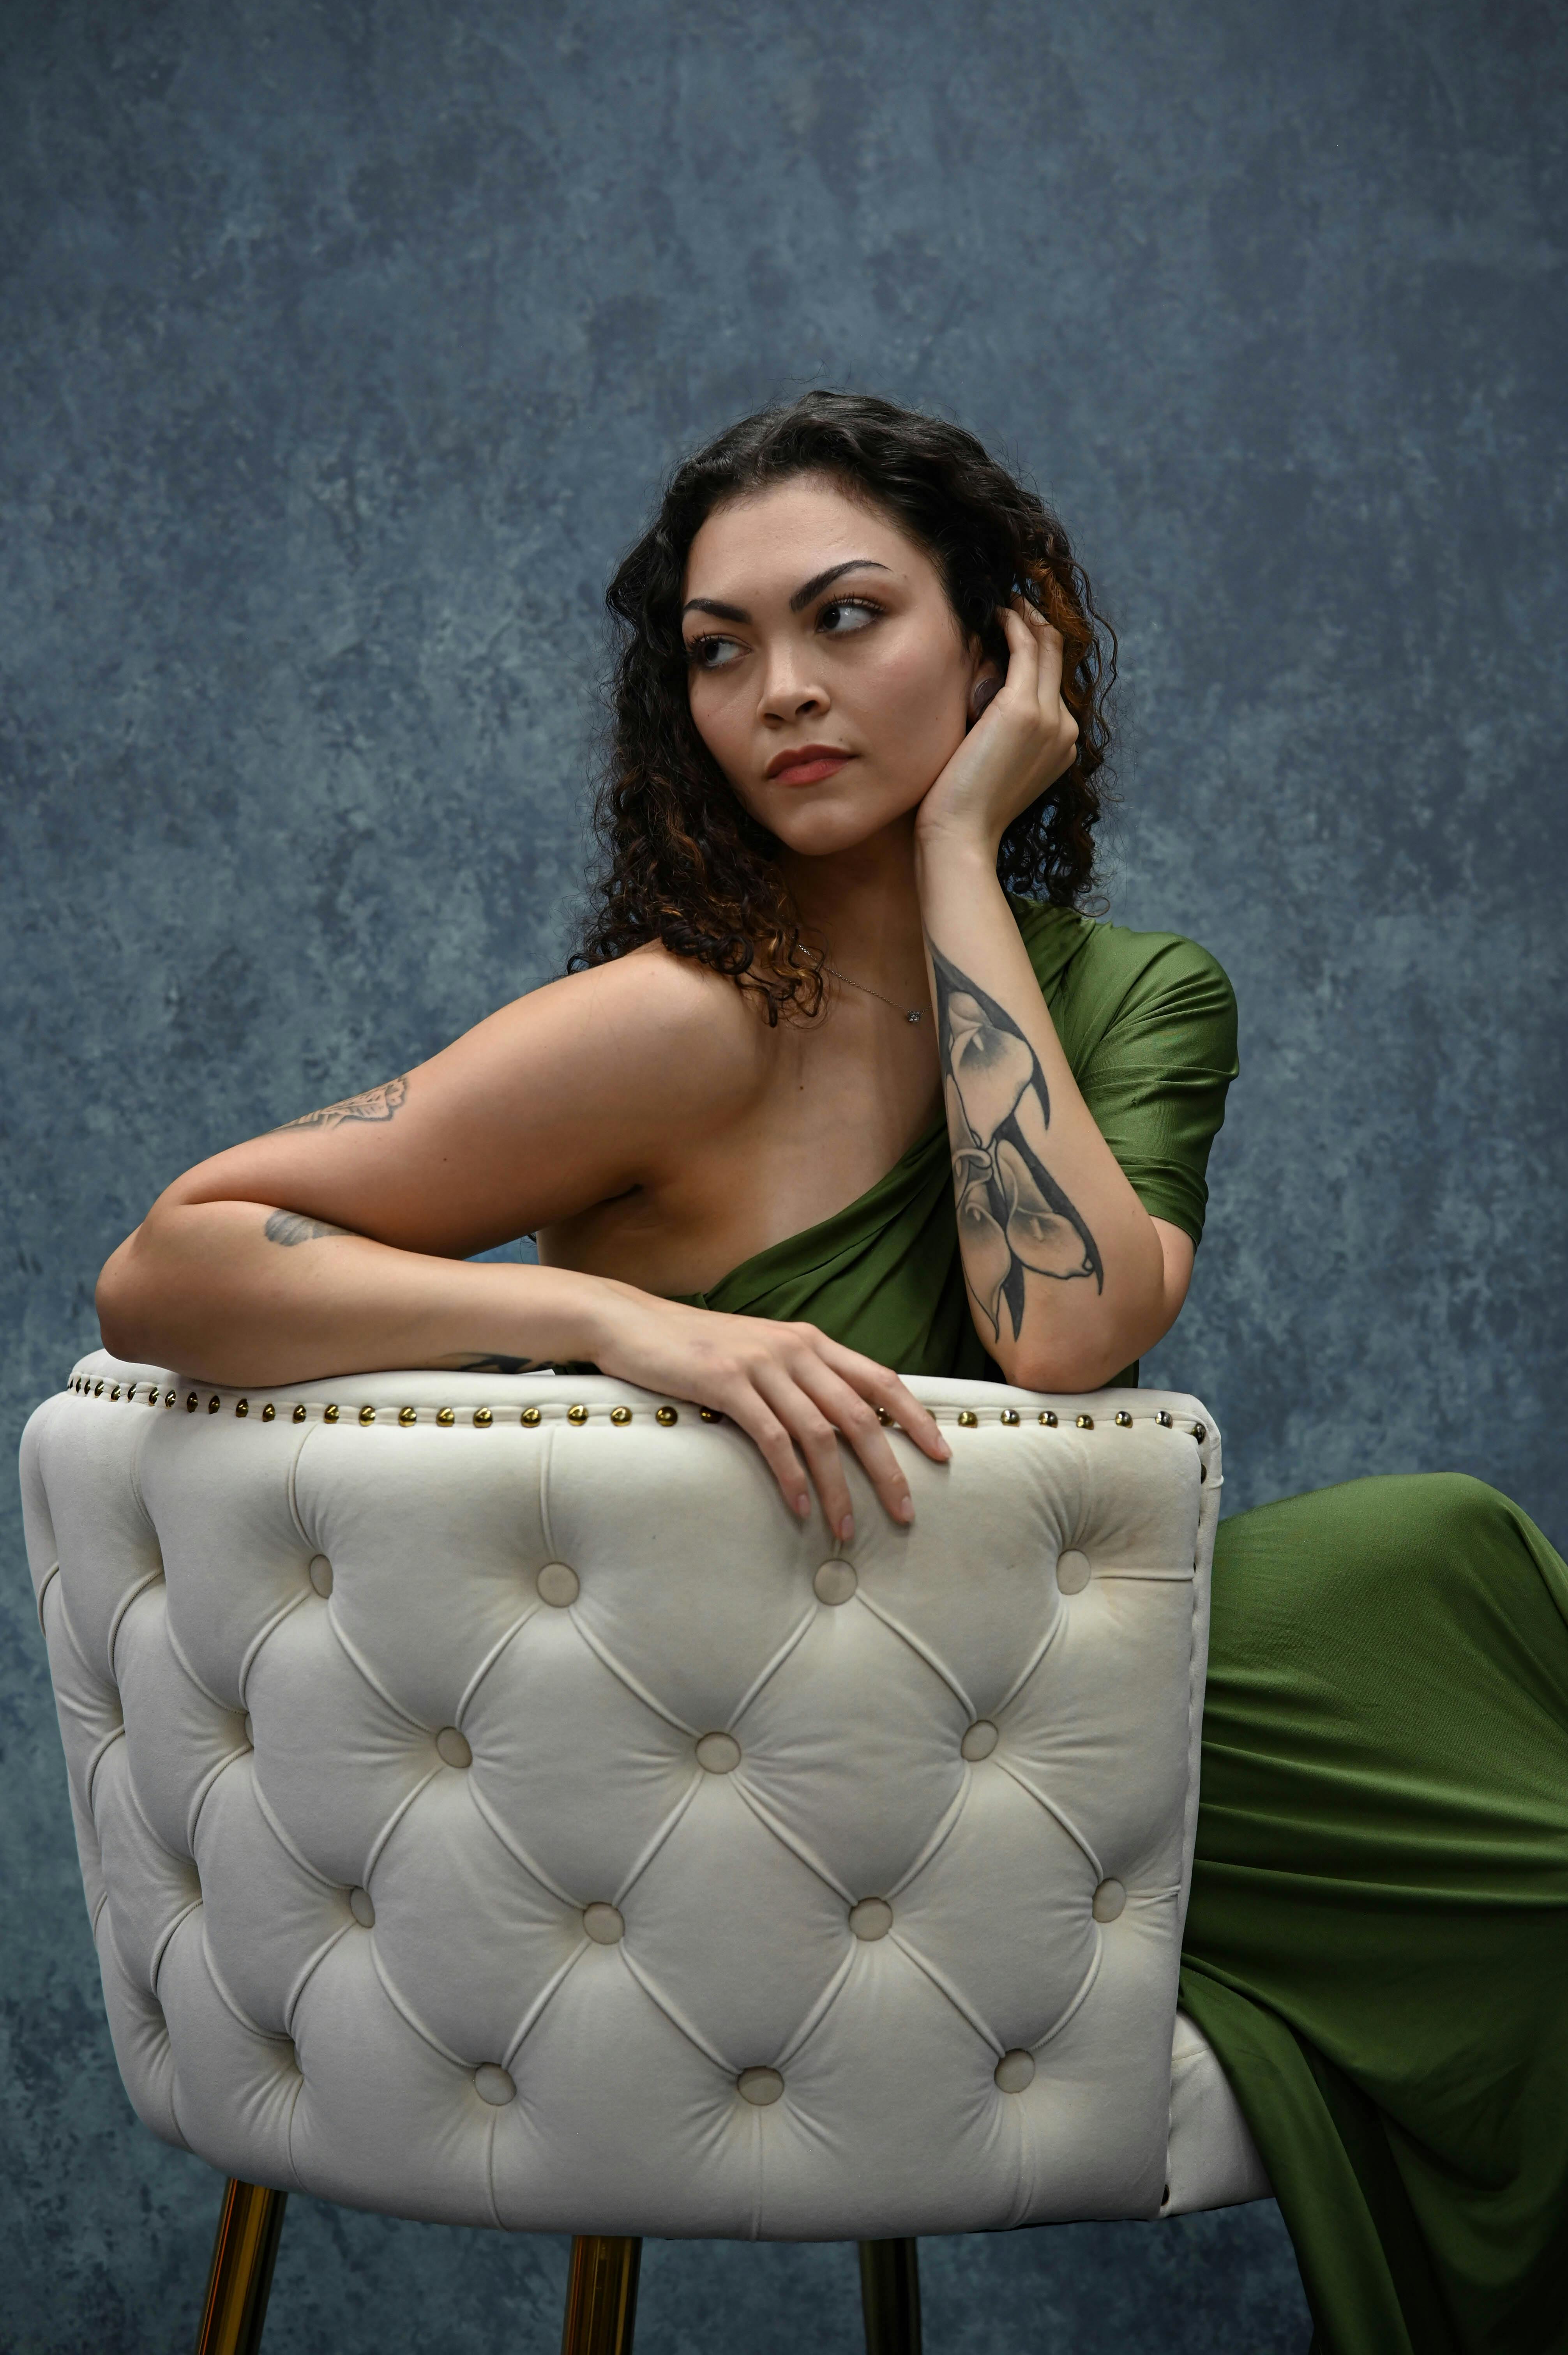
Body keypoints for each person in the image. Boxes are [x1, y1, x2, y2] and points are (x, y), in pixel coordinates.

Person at [97, 392, 1567, 2354]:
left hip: (1038, 1733)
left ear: (1003, 639)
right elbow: (166, 1263)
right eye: (721, 652)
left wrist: (963, 849)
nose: (779, 692)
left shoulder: (1143, 998)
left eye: (848, 620)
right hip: (794, 1774)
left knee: (1438, 1554)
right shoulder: (679, 1024)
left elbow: (1063, 1328)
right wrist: (607, 1320)